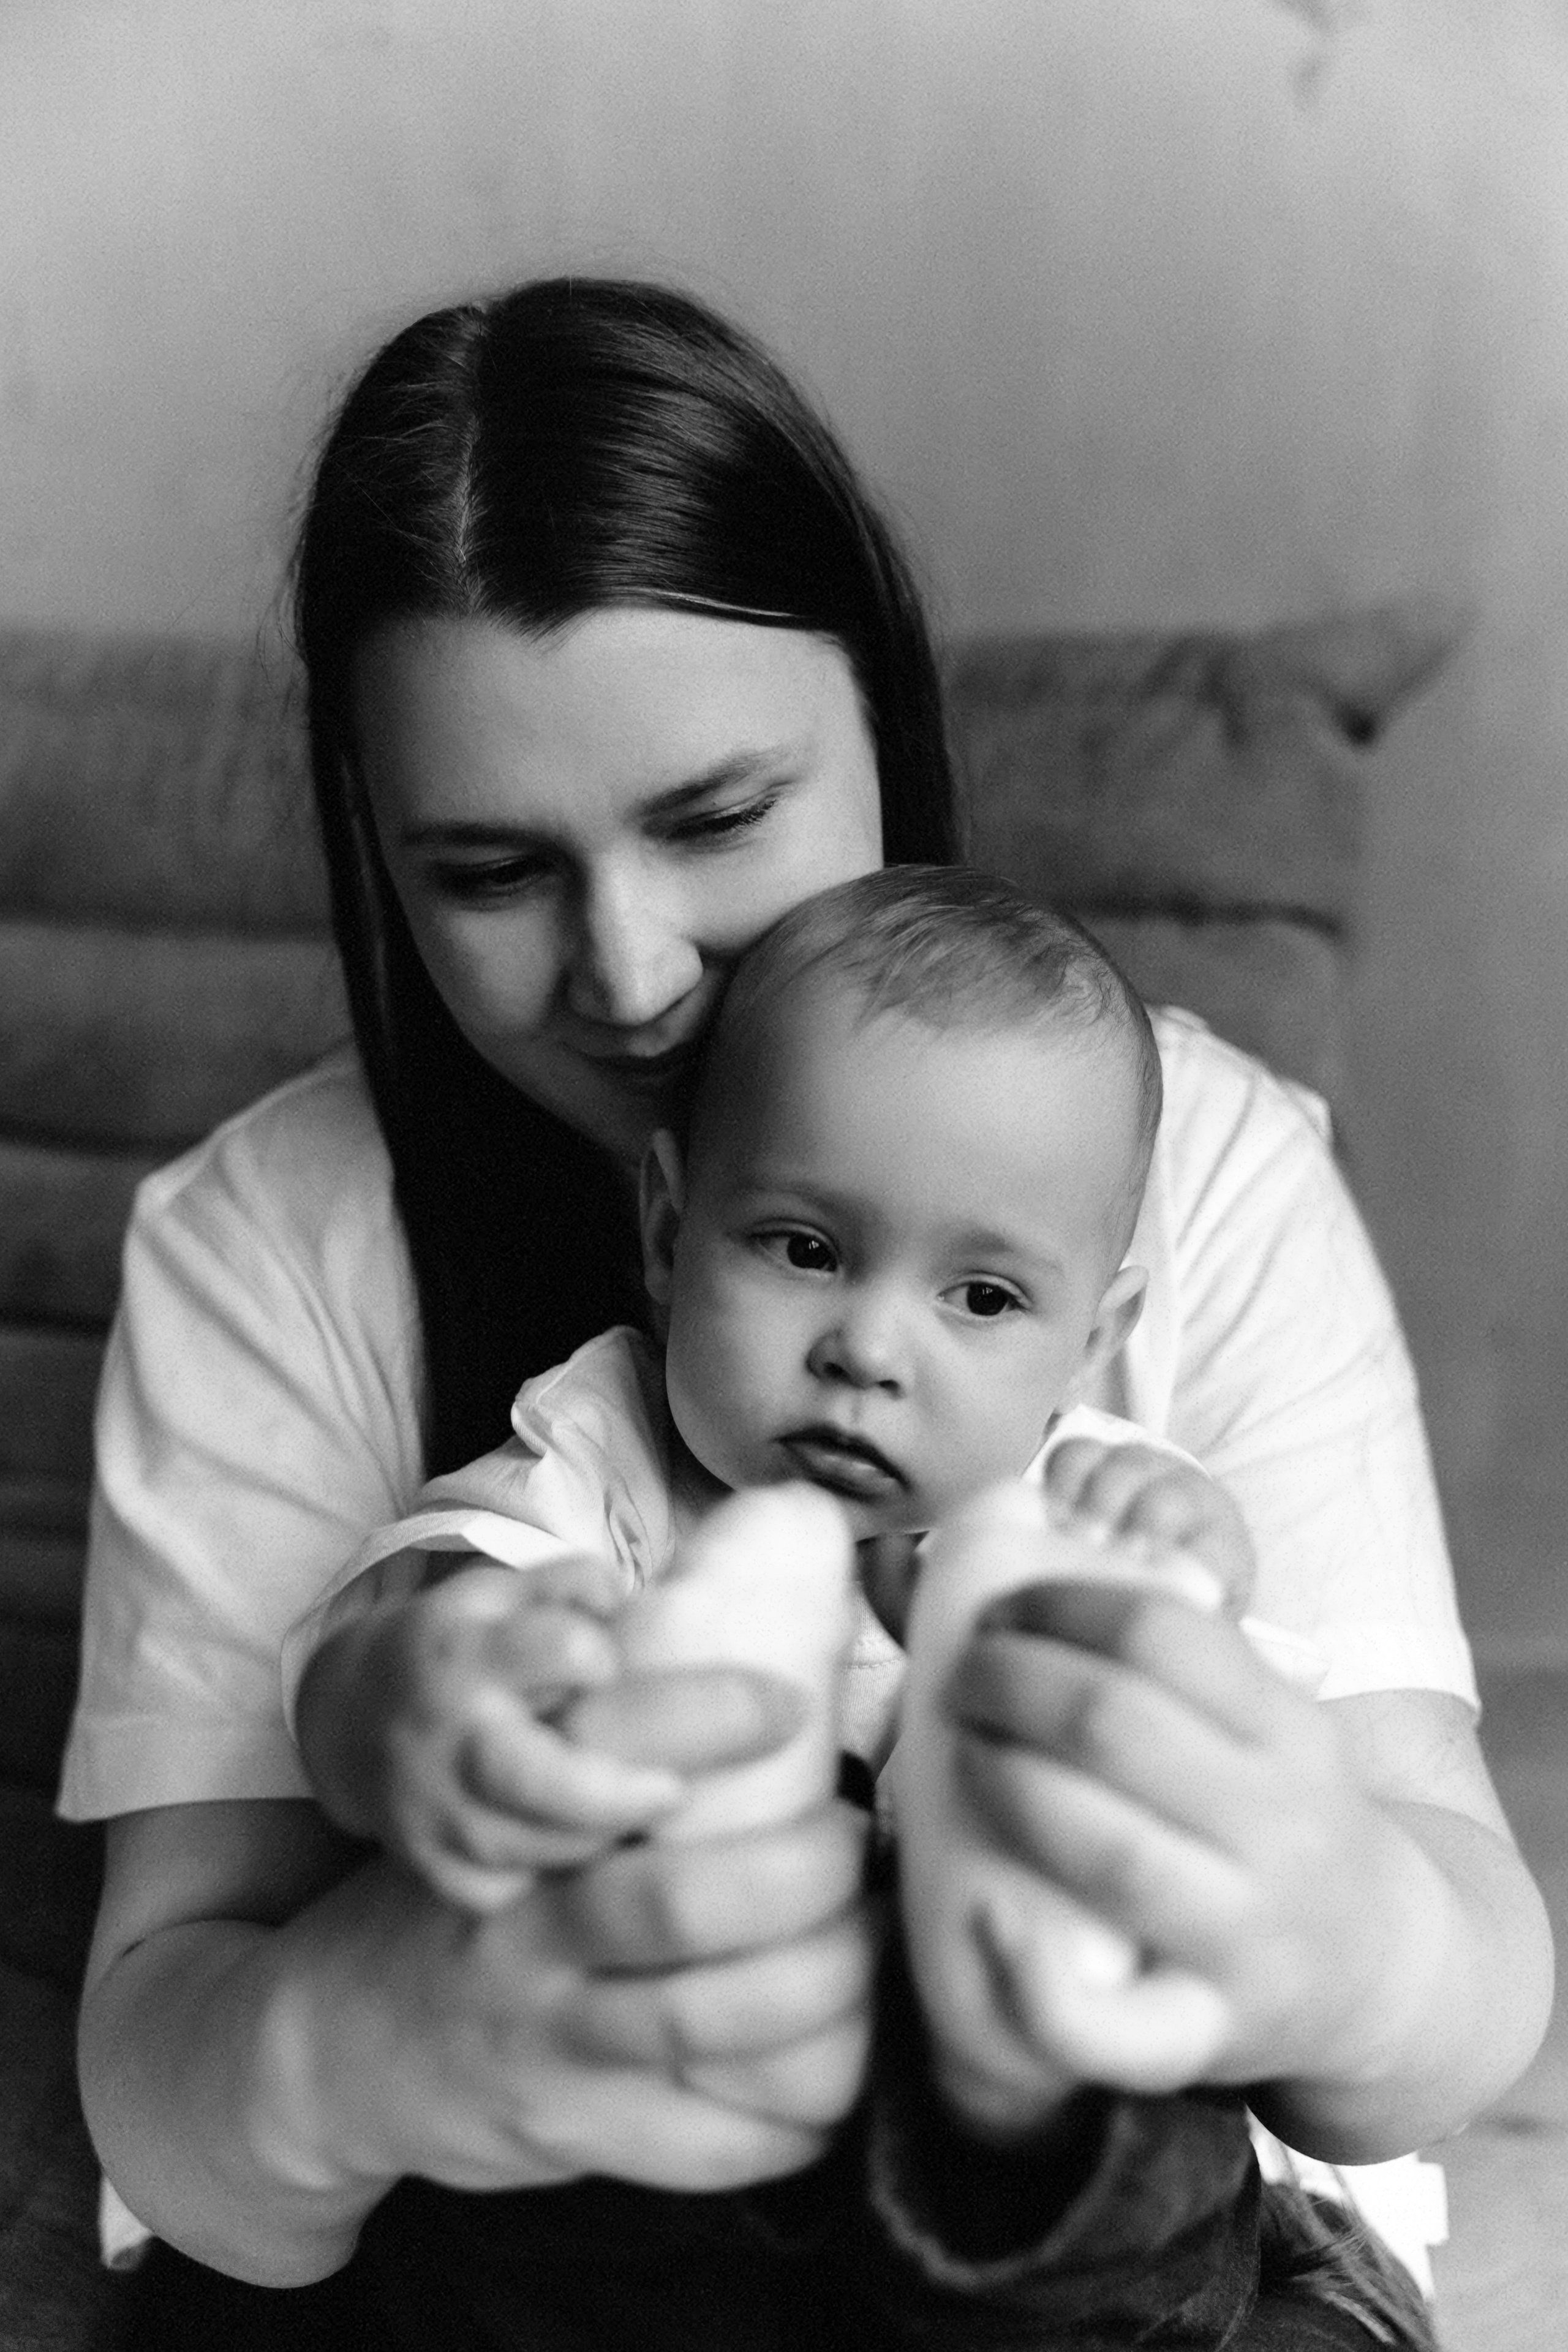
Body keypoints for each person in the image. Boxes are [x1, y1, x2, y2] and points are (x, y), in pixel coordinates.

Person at [61, 276, 1550, 2351]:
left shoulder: (1202, 1170)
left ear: (885, 730)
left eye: (715, 820)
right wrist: (385, 2018)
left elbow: (1461, 1992)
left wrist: (1326, 1932)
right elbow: (177, 2080)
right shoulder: (292, 1251)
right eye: (489, 870)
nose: (636, 970)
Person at [285, 865, 1254, 1926]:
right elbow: (399, 1668)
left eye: (983, 1297)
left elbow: (1245, 1770)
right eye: (805, 1249)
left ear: (1088, 1345)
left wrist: (1198, 1577)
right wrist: (397, 1705)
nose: (869, 1350)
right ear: (668, 1236)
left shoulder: (1079, 1512)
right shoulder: (605, 1471)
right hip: (669, 2019)